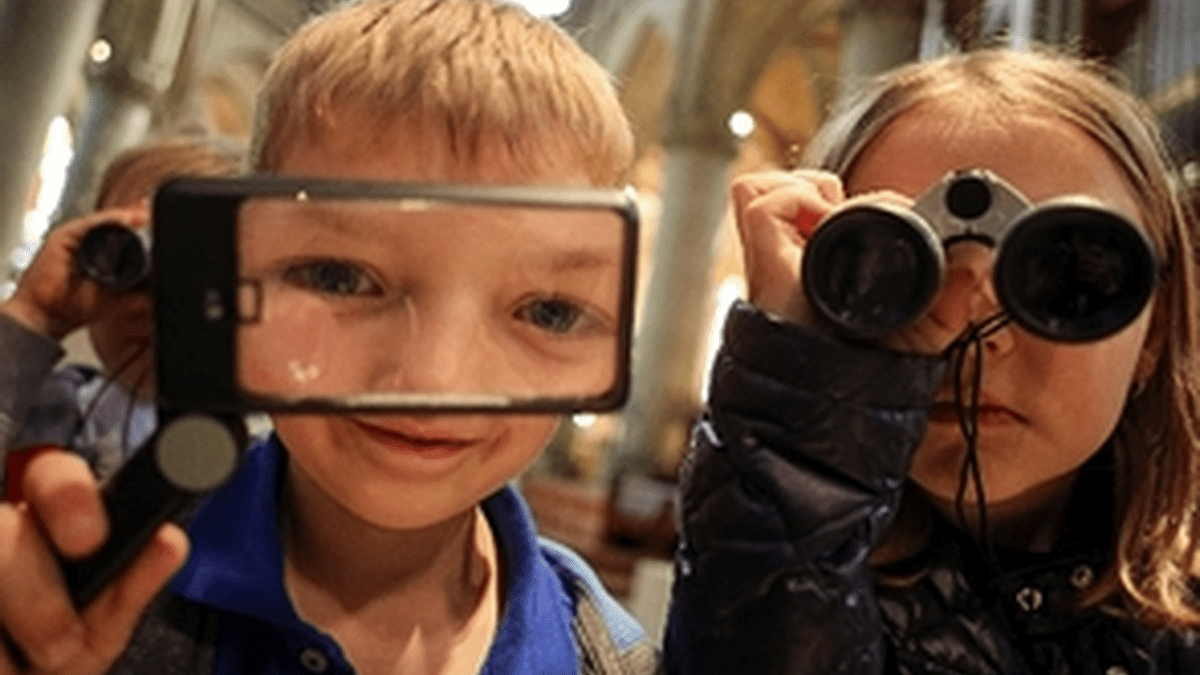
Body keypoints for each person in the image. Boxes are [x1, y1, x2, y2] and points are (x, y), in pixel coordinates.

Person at [0, 1, 656, 674]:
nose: (432, 377)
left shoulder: (610, 656)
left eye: (547, 311)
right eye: (339, 277)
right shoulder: (99, 590)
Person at [664, 47, 1200, 674]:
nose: (965, 325)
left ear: (1153, 329)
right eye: (901, 268)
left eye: (1065, 271)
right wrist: (798, 407)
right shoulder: (773, 570)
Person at [0, 136, 243, 488]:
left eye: (195, 270)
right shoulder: (50, 402)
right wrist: (35, 315)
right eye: (127, 257)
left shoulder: (261, 450)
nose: (152, 303)